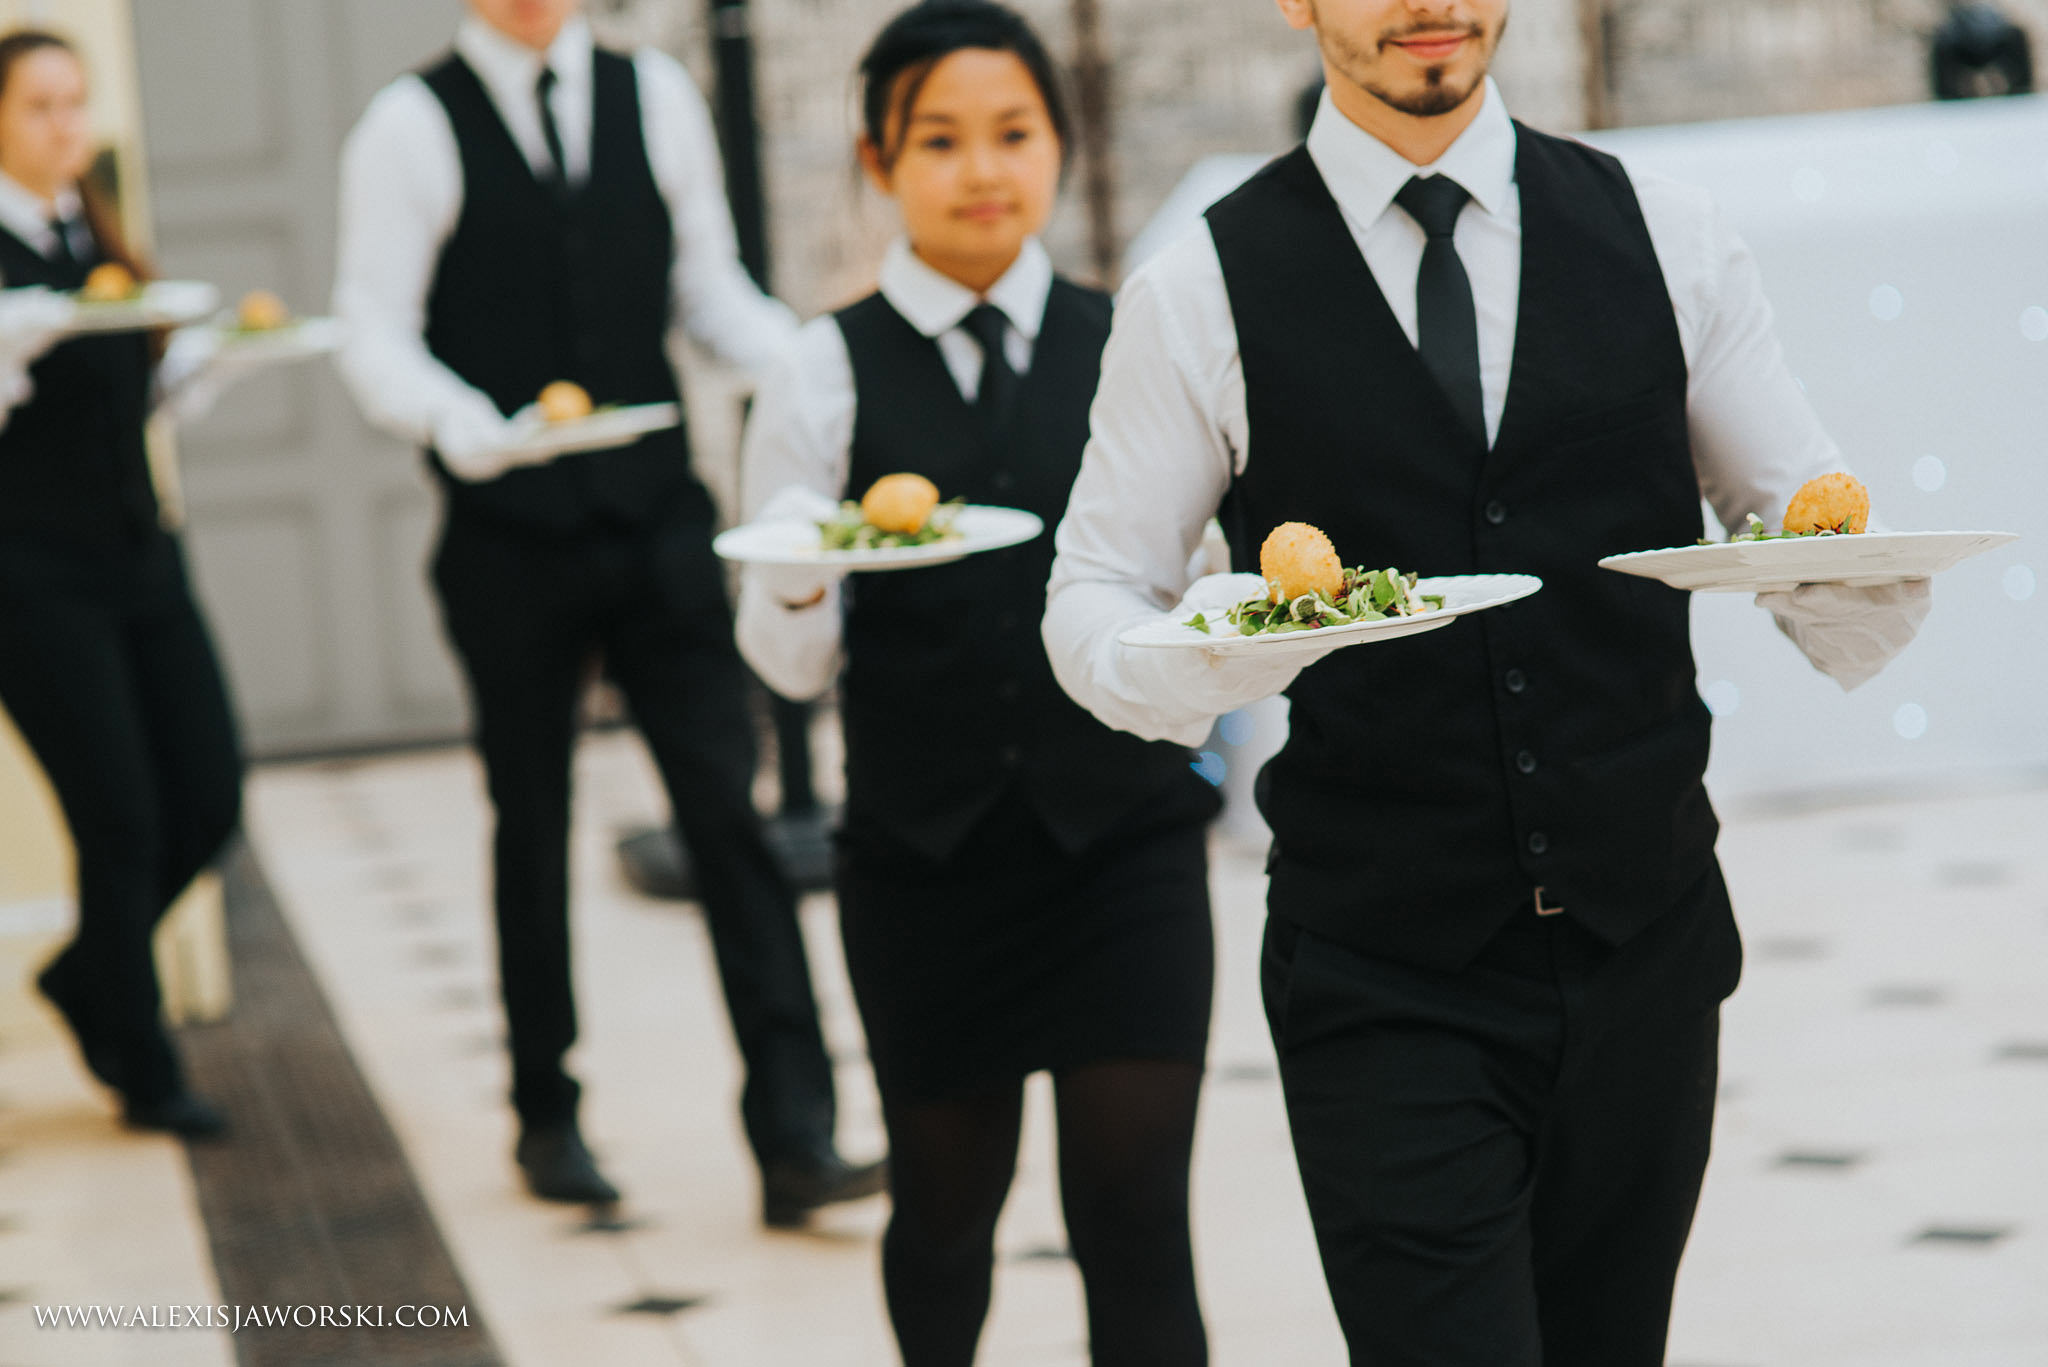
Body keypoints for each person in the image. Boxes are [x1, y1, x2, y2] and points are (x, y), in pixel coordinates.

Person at [1041, 1, 1932, 1363]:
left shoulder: (1671, 234)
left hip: (1646, 947)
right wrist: (1204, 665)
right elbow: (1093, 592)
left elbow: (1809, 519)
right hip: (1385, 967)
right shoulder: (1202, 285)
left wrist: (1842, 573)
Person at [332, 0, 881, 1220]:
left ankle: (796, 1130)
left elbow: (709, 295)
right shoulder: (410, 127)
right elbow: (373, 331)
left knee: (725, 816)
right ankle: (545, 1110)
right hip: (507, 536)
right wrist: (456, 422)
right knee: (528, 818)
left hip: (656, 523)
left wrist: (820, 366)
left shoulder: (658, 100)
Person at [734, 3, 1220, 1361]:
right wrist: (794, 573)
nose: (981, 168)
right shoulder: (817, 368)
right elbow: (788, 661)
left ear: (1059, 148)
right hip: (925, 866)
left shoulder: (1129, 337)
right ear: (878, 163)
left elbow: (1192, 589)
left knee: (1137, 1214)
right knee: (947, 1215)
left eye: (1013, 133)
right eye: (939, 140)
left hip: (1124, 848)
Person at [0, 28, 252, 1138]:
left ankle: (83, 975)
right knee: (121, 818)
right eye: (41, 107)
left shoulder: (92, 233)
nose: (66, 126)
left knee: (208, 792)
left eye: (75, 103)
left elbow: (136, 396)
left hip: (141, 551)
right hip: (31, 576)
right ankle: (143, 1064)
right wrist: (27, 332)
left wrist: (223, 352)